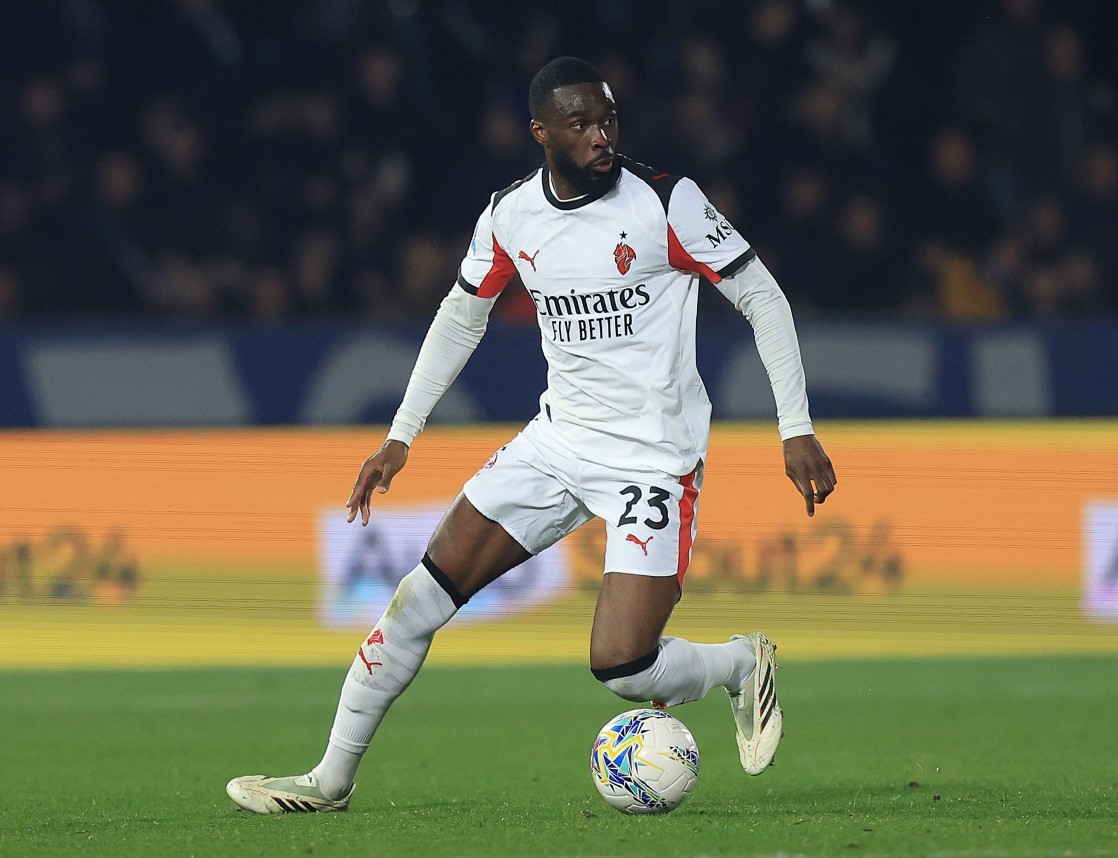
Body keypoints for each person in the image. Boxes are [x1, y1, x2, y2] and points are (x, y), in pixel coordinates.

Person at [226, 57, 836, 814]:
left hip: (653, 460)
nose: (600, 137)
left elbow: (762, 297)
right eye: (580, 124)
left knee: (622, 665)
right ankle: (330, 781)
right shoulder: (511, 217)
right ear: (541, 132)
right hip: (556, 446)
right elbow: (460, 315)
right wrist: (399, 435)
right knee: (417, 600)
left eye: (608, 120)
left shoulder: (666, 204)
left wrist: (796, 427)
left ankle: (742, 664)